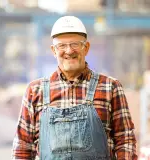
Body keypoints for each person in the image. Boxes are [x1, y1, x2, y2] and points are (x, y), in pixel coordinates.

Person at [12, 16, 138, 160]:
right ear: (53, 50)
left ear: (86, 48)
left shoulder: (110, 87)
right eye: (62, 46)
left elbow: (125, 140)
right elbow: (22, 148)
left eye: (75, 44)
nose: (69, 51)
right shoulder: (35, 91)